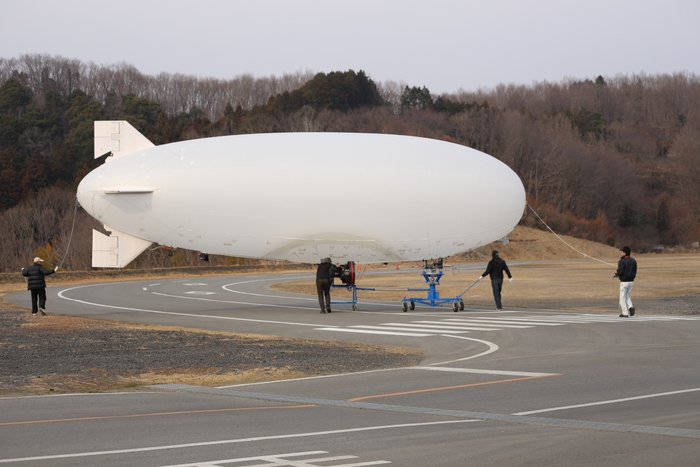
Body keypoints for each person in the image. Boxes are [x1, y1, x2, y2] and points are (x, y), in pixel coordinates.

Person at [614, 246, 637, 318]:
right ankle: (631, 307)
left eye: (622, 251)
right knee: (627, 295)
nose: (621, 253)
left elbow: (621, 271)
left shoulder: (622, 261)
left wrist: (617, 274)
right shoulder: (633, 261)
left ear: (625, 253)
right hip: (631, 281)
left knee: (622, 298)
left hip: (624, 282)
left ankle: (625, 313)